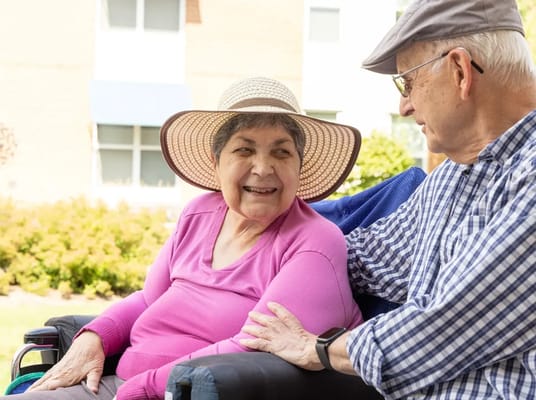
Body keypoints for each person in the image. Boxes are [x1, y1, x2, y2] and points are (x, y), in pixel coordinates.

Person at [241, 1, 536, 399]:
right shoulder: (451, 177)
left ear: (460, 71)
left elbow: (441, 327)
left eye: (408, 83)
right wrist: (245, 244)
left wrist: (318, 348)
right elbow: (364, 258)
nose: (403, 106)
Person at [2, 77, 364, 400]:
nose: (263, 167)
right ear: (215, 161)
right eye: (244, 149)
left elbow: (254, 346)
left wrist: (144, 387)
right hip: (119, 385)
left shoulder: (314, 242)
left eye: (281, 152)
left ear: (299, 166)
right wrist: (93, 338)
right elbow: (148, 300)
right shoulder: (198, 215)